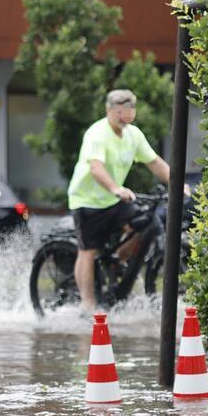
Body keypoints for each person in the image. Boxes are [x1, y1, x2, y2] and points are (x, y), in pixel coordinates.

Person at [66, 88, 172, 311]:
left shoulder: (134, 135)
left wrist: (177, 183)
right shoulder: (97, 133)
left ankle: (117, 261)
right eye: (120, 112)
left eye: (129, 111)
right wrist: (116, 188)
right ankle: (87, 304)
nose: (125, 117)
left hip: (114, 200)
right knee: (88, 251)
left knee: (146, 224)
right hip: (88, 201)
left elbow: (154, 162)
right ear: (109, 110)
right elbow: (96, 168)